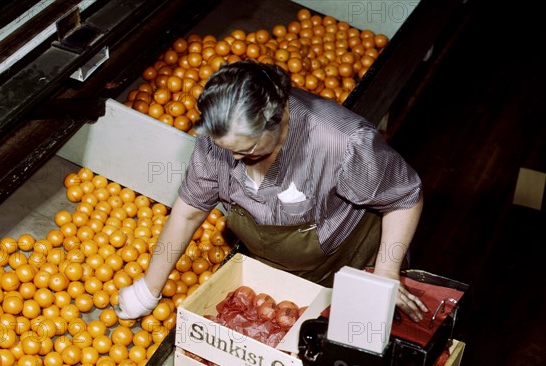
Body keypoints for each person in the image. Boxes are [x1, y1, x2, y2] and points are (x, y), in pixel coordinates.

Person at [116, 60, 428, 322]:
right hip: (278, 270)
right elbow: (189, 212)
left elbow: (404, 198)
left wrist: (386, 271)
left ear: (278, 119)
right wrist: (148, 289)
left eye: (247, 150)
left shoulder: (339, 143)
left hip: (349, 259)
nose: (234, 159)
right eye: (226, 148)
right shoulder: (221, 140)